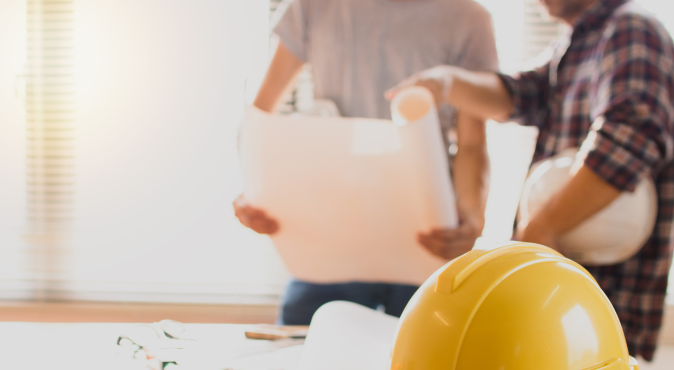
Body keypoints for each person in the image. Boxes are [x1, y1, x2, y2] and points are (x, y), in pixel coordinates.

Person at [387, 0, 674, 361]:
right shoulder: (576, 45)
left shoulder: (632, 30)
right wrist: (448, 83)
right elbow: (519, 94)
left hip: (597, 307)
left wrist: (541, 229)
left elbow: (629, 139)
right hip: (564, 314)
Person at [234, 0, 499, 325]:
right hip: (330, 233)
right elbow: (261, 116)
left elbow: (472, 143)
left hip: (424, 235)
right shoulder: (311, 6)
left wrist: (472, 215)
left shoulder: (469, 18)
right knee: (302, 339)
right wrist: (255, 193)